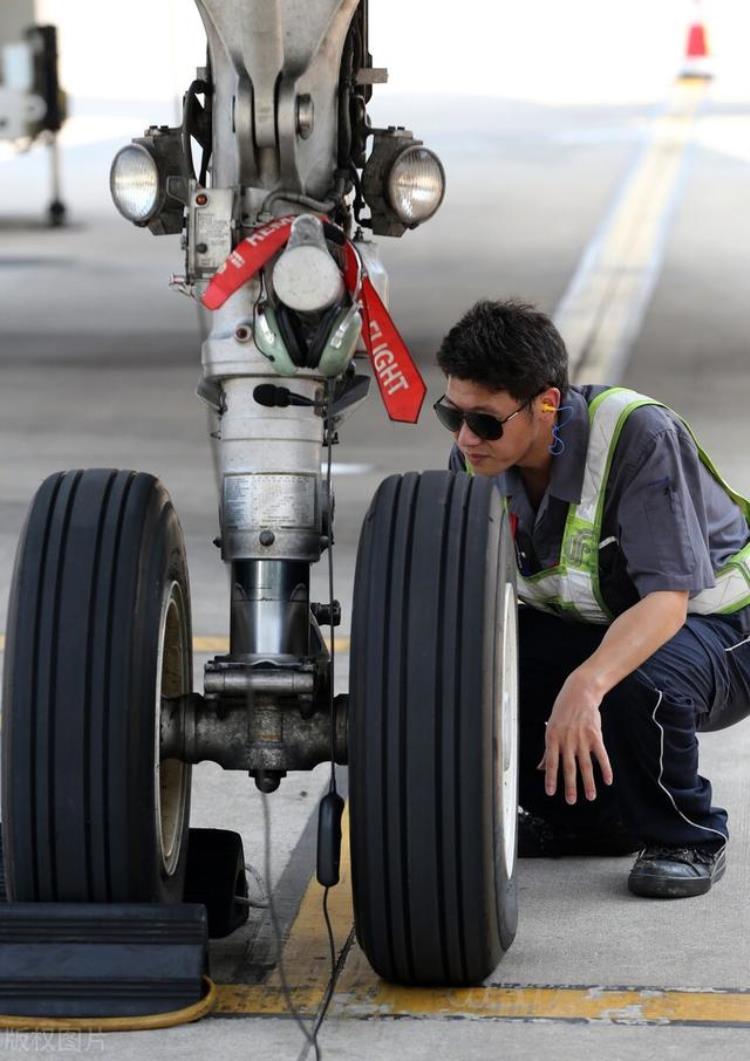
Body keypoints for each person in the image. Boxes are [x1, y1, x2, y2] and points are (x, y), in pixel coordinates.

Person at [433, 298, 750, 898]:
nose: (467, 438)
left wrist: (585, 683)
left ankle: (686, 835)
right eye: (454, 416)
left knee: (635, 678)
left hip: (724, 627)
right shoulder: (477, 458)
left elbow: (667, 603)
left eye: (487, 421)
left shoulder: (636, 436)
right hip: (609, 620)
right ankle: (590, 822)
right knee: (468, 660)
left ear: (547, 404)